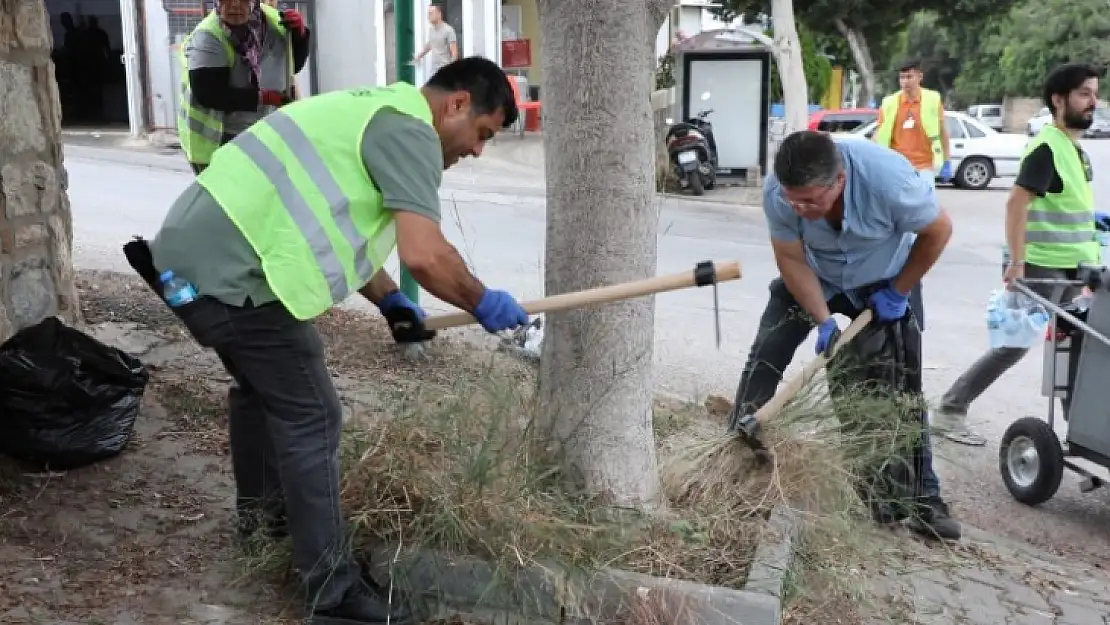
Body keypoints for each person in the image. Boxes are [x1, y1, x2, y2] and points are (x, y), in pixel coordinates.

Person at [136, 57, 525, 625]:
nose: (478, 150)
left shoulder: (374, 112)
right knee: (312, 414)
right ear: (457, 104)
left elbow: (330, 217)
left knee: (261, 390)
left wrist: (390, 299)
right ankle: (333, 594)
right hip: (235, 271)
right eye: (482, 134)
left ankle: (263, 524)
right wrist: (481, 299)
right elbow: (426, 254)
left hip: (193, 255)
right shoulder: (411, 132)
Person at [728, 130, 961, 541]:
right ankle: (734, 449)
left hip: (884, 278)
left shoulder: (887, 179)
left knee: (899, 386)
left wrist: (899, 290)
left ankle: (924, 499)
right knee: (768, 350)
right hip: (814, 276)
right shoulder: (778, 192)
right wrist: (822, 320)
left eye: (811, 201)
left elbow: (938, 231)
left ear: (840, 181)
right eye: (793, 200)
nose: (800, 208)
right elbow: (789, 256)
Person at [934, 63, 1107, 445]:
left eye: (1095, 93)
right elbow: (1016, 203)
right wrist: (1017, 262)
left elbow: (1065, 206)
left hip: (1076, 270)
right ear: (1059, 100)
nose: (1094, 102)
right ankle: (950, 409)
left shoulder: (1073, 150)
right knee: (1013, 346)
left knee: (1080, 346)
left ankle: (1080, 432)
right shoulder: (1047, 147)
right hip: (1044, 267)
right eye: (1084, 94)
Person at [178, 0, 311, 175]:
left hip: (264, 130)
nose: (234, 6)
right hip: (220, 141)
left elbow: (291, 65)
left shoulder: (273, 21)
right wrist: (264, 98)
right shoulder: (208, 37)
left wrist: (299, 36)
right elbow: (209, 94)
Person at [873, 58, 952, 187]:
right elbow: (878, 133)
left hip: (924, 166)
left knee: (925, 204)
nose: (905, 82)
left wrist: (946, 161)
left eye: (909, 77)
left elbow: (943, 132)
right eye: (902, 78)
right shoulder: (889, 103)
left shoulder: (932, 99)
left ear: (920, 76)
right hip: (896, 167)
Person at [412, 4, 457, 78]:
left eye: (431, 13)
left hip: (445, 71)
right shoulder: (431, 30)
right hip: (434, 70)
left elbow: (454, 54)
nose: (428, 16)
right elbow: (431, 44)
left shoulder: (448, 30)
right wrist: (419, 56)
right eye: (428, 14)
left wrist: (451, 70)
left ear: (439, 14)